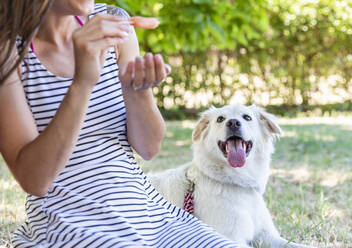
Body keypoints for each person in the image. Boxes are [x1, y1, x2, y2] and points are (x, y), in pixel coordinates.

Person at [0, 1, 239, 247]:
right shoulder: (8, 52)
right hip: (71, 223)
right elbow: (34, 180)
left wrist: (137, 90)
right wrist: (83, 82)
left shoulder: (112, 22)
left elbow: (149, 148)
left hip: (151, 217)